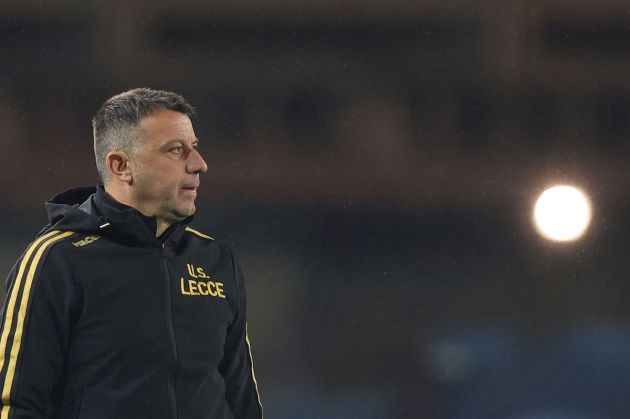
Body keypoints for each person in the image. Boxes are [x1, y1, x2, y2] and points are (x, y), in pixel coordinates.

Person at [0, 88, 263, 418]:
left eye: (194, 148)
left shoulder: (216, 261)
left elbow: (242, 400)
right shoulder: (58, 260)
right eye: (176, 151)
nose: (199, 164)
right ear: (121, 165)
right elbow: (16, 402)